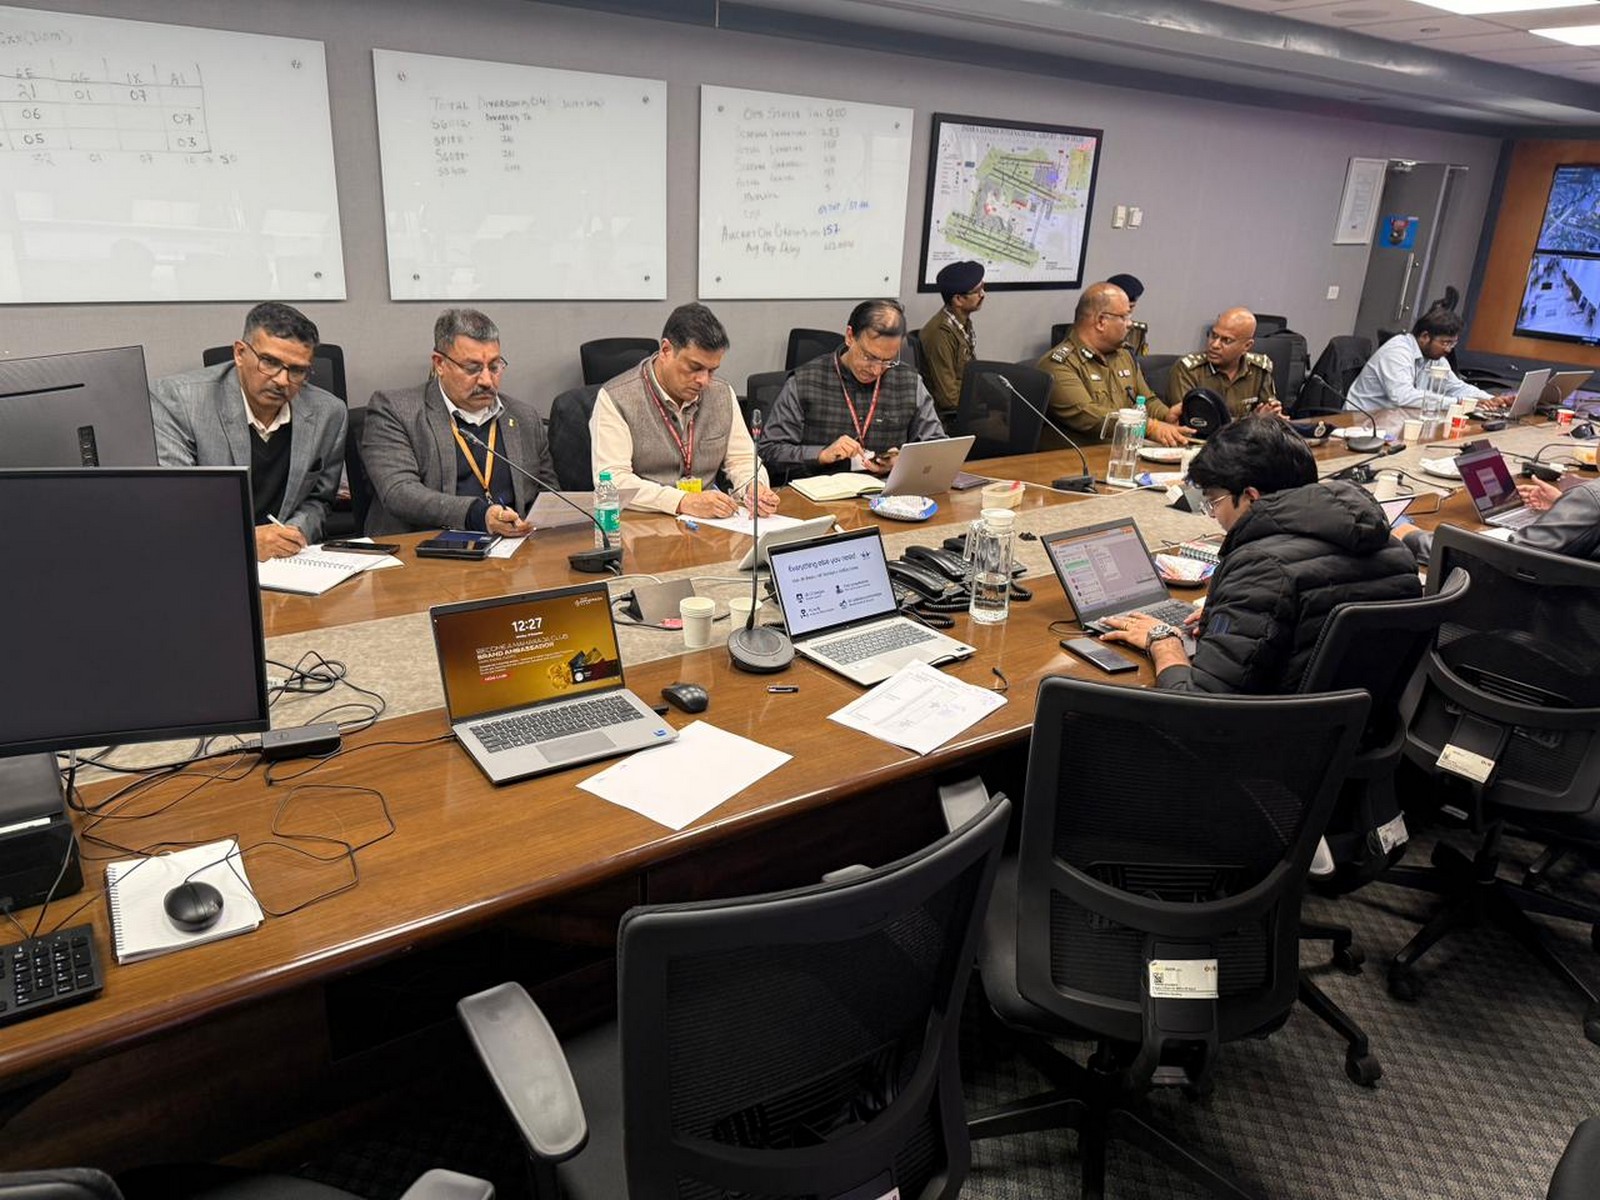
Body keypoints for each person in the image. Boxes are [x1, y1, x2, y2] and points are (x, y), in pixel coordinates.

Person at [1099, 417, 1421, 693]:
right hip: (1360, 737)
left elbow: (1200, 708)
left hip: (1265, 749)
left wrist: (1164, 644)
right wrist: (1231, 617)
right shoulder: (1393, 548)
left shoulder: (1262, 569)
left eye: (1214, 502)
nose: (1214, 516)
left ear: (1251, 496)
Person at [149, 302, 346, 561]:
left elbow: (319, 500)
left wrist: (294, 531)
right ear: (240, 353)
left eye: (297, 370)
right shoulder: (179, 401)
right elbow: (175, 505)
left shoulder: (329, 413)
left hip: (292, 563)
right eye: (270, 362)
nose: (282, 380)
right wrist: (245, 542)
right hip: (208, 560)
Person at [361, 308, 554, 537]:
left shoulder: (524, 418)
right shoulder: (395, 410)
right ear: (439, 364)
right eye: (472, 369)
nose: (486, 380)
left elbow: (550, 495)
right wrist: (477, 514)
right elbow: (399, 493)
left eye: (494, 367)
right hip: (426, 554)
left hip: (513, 554)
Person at [590, 302, 777, 518]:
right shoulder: (616, 398)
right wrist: (682, 501)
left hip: (711, 524)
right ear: (666, 351)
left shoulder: (721, 393)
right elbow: (614, 481)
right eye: (694, 368)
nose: (704, 381)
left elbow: (742, 459)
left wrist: (754, 488)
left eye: (712, 370)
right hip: (646, 525)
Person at [760, 298, 946, 480]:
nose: (876, 370)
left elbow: (938, 448)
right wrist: (821, 454)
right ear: (850, 336)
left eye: (887, 361)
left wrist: (904, 461)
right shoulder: (804, 381)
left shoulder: (910, 382)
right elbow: (769, 451)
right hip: (821, 498)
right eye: (869, 357)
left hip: (887, 497)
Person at [1037, 282, 1189, 448]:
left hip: (1125, 452)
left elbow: (1145, 400)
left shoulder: (1124, 355)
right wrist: (1149, 427)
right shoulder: (1058, 364)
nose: (1130, 324)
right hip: (1077, 459)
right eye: (1124, 317)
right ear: (1101, 321)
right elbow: (1088, 416)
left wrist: (1166, 416)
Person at [1402, 475, 1600, 564]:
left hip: (1561, 630)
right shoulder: (1590, 499)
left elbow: (1508, 559)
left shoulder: (1591, 499)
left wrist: (1413, 538)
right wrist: (1565, 506)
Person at [1344, 307, 1506, 414]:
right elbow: (1403, 397)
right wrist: (1460, 403)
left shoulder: (1433, 356)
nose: (1449, 349)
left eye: (1452, 343)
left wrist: (1487, 399)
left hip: (1393, 418)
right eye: (1445, 343)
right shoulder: (1397, 352)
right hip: (1360, 420)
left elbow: (1456, 387)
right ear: (1425, 337)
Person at [1166, 307, 1281, 419]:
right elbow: (1195, 423)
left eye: (1226, 340)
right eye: (1214, 335)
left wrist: (1273, 416)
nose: (1214, 345)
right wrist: (1253, 420)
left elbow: (1267, 415)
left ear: (1247, 346)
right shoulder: (1188, 370)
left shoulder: (1259, 369)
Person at [918, 260, 984, 429]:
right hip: (950, 417)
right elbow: (947, 397)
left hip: (968, 402)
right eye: (977, 291)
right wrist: (983, 405)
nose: (983, 294)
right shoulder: (940, 334)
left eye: (983, 287)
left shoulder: (962, 323)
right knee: (1009, 426)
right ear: (958, 299)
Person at [1106, 272, 1150, 357]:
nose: (1127, 311)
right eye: (1123, 306)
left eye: (1131, 307)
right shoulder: (1097, 326)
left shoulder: (1137, 331)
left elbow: (1140, 362)